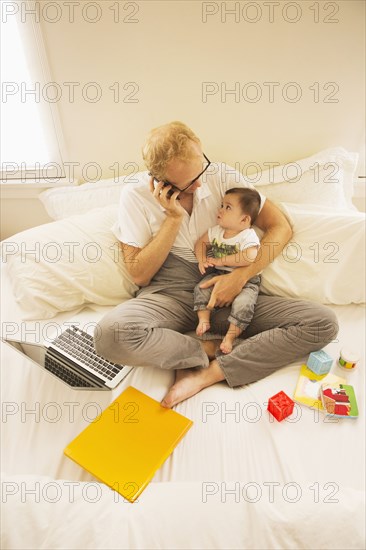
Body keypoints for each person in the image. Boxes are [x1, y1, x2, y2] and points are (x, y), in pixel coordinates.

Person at [94, 121, 338, 409]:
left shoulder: (220, 175)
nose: (199, 184)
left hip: (226, 290)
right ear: (160, 181)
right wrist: (172, 219)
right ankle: (200, 349)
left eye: (201, 169)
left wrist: (241, 276)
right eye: (188, 182)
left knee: (322, 323)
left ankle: (212, 370)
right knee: (110, 335)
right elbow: (140, 274)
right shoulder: (134, 196)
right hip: (168, 293)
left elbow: (280, 227)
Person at [193, 187, 261, 354]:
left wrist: (219, 260)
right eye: (221, 205)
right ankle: (204, 319)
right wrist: (202, 259)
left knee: (244, 304)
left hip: (247, 281)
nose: (220, 210)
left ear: (244, 220)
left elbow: (249, 257)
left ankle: (230, 337)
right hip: (219, 274)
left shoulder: (247, 235)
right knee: (201, 288)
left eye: (227, 207)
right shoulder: (216, 232)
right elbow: (200, 243)